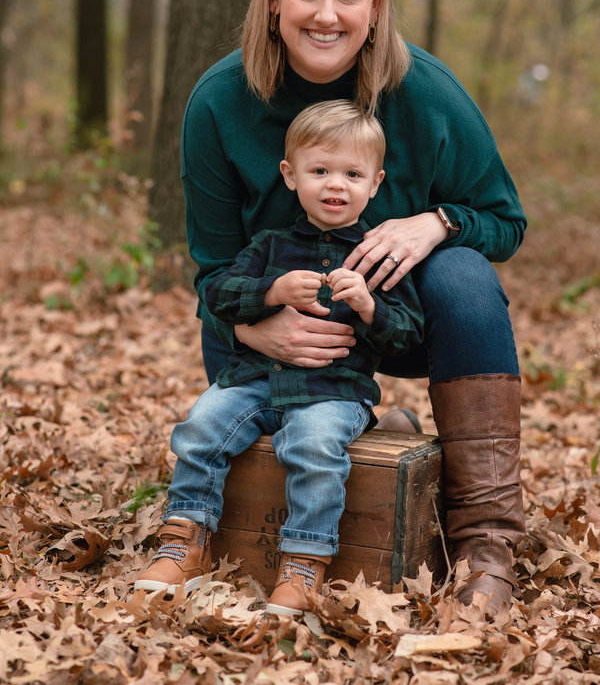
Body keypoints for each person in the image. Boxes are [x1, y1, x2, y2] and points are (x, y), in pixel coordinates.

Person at [166, 0, 526, 617]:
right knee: (236, 296)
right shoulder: (219, 102)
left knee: (463, 272)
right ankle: (209, 519)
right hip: (276, 332)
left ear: (376, 4)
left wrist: (437, 221)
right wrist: (251, 325)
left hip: (400, 319)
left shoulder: (424, 92)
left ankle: (486, 538)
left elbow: (505, 220)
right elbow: (211, 270)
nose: (325, 14)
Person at [134, 100, 424, 615]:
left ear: (376, 183)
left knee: (314, 446)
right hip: (255, 382)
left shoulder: (379, 261)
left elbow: (410, 338)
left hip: (334, 393)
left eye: (352, 174)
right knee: (202, 425)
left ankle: (304, 566)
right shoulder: (270, 247)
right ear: (291, 177)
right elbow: (218, 293)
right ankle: (185, 543)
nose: (336, 184)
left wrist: (369, 305)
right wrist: (271, 291)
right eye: (320, 171)